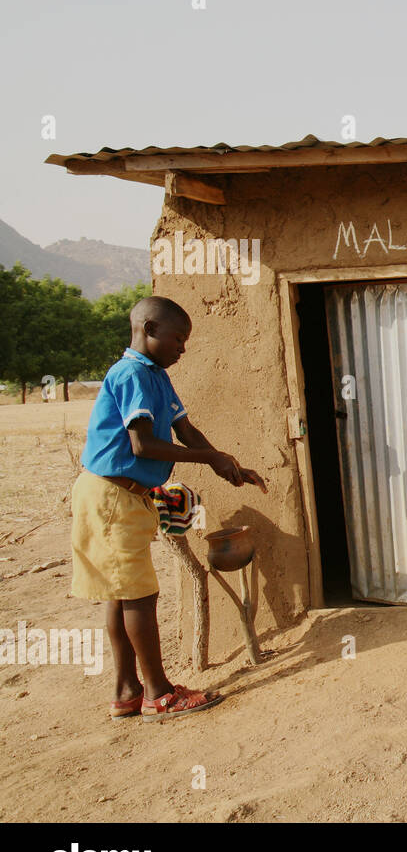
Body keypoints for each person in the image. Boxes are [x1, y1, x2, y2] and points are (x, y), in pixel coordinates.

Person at [72, 296, 266, 722]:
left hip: (122, 497)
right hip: (110, 498)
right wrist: (209, 460)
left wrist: (226, 463)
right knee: (139, 595)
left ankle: (126, 691)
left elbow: (185, 429)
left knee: (122, 593)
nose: (183, 348)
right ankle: (159, 694)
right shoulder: (131, 375)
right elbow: (143, 444)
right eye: (178, 338)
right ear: (149, 329)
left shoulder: (155, 376)